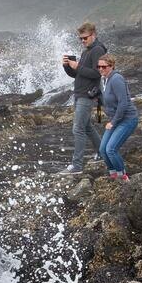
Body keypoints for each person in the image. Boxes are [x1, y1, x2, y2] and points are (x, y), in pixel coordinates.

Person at [61, 22, 107, 174]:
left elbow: (97, 73)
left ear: (93, 35)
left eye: (85, 38)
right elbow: (78, 74)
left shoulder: (98, 50)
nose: (83, 41)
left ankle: (77, 166)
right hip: (80, 93)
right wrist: (68, 66)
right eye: (80, 39)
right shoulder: (87, 51)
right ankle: (102, 153)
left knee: (78, 128)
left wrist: (77, 66)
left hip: (88, 95)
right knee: (86, 127)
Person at [97, 55, 138, 182]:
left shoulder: (116, 79)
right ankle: (113, 174)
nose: (101, 69)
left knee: (111, 149)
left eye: (104, 66)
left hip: (127, 119)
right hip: (115, 119)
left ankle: (123, 177)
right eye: (99, 66)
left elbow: (123, 103)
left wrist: (113, 122)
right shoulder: (105, 80)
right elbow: (106, 102)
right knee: (103, 149)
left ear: (112, 66)